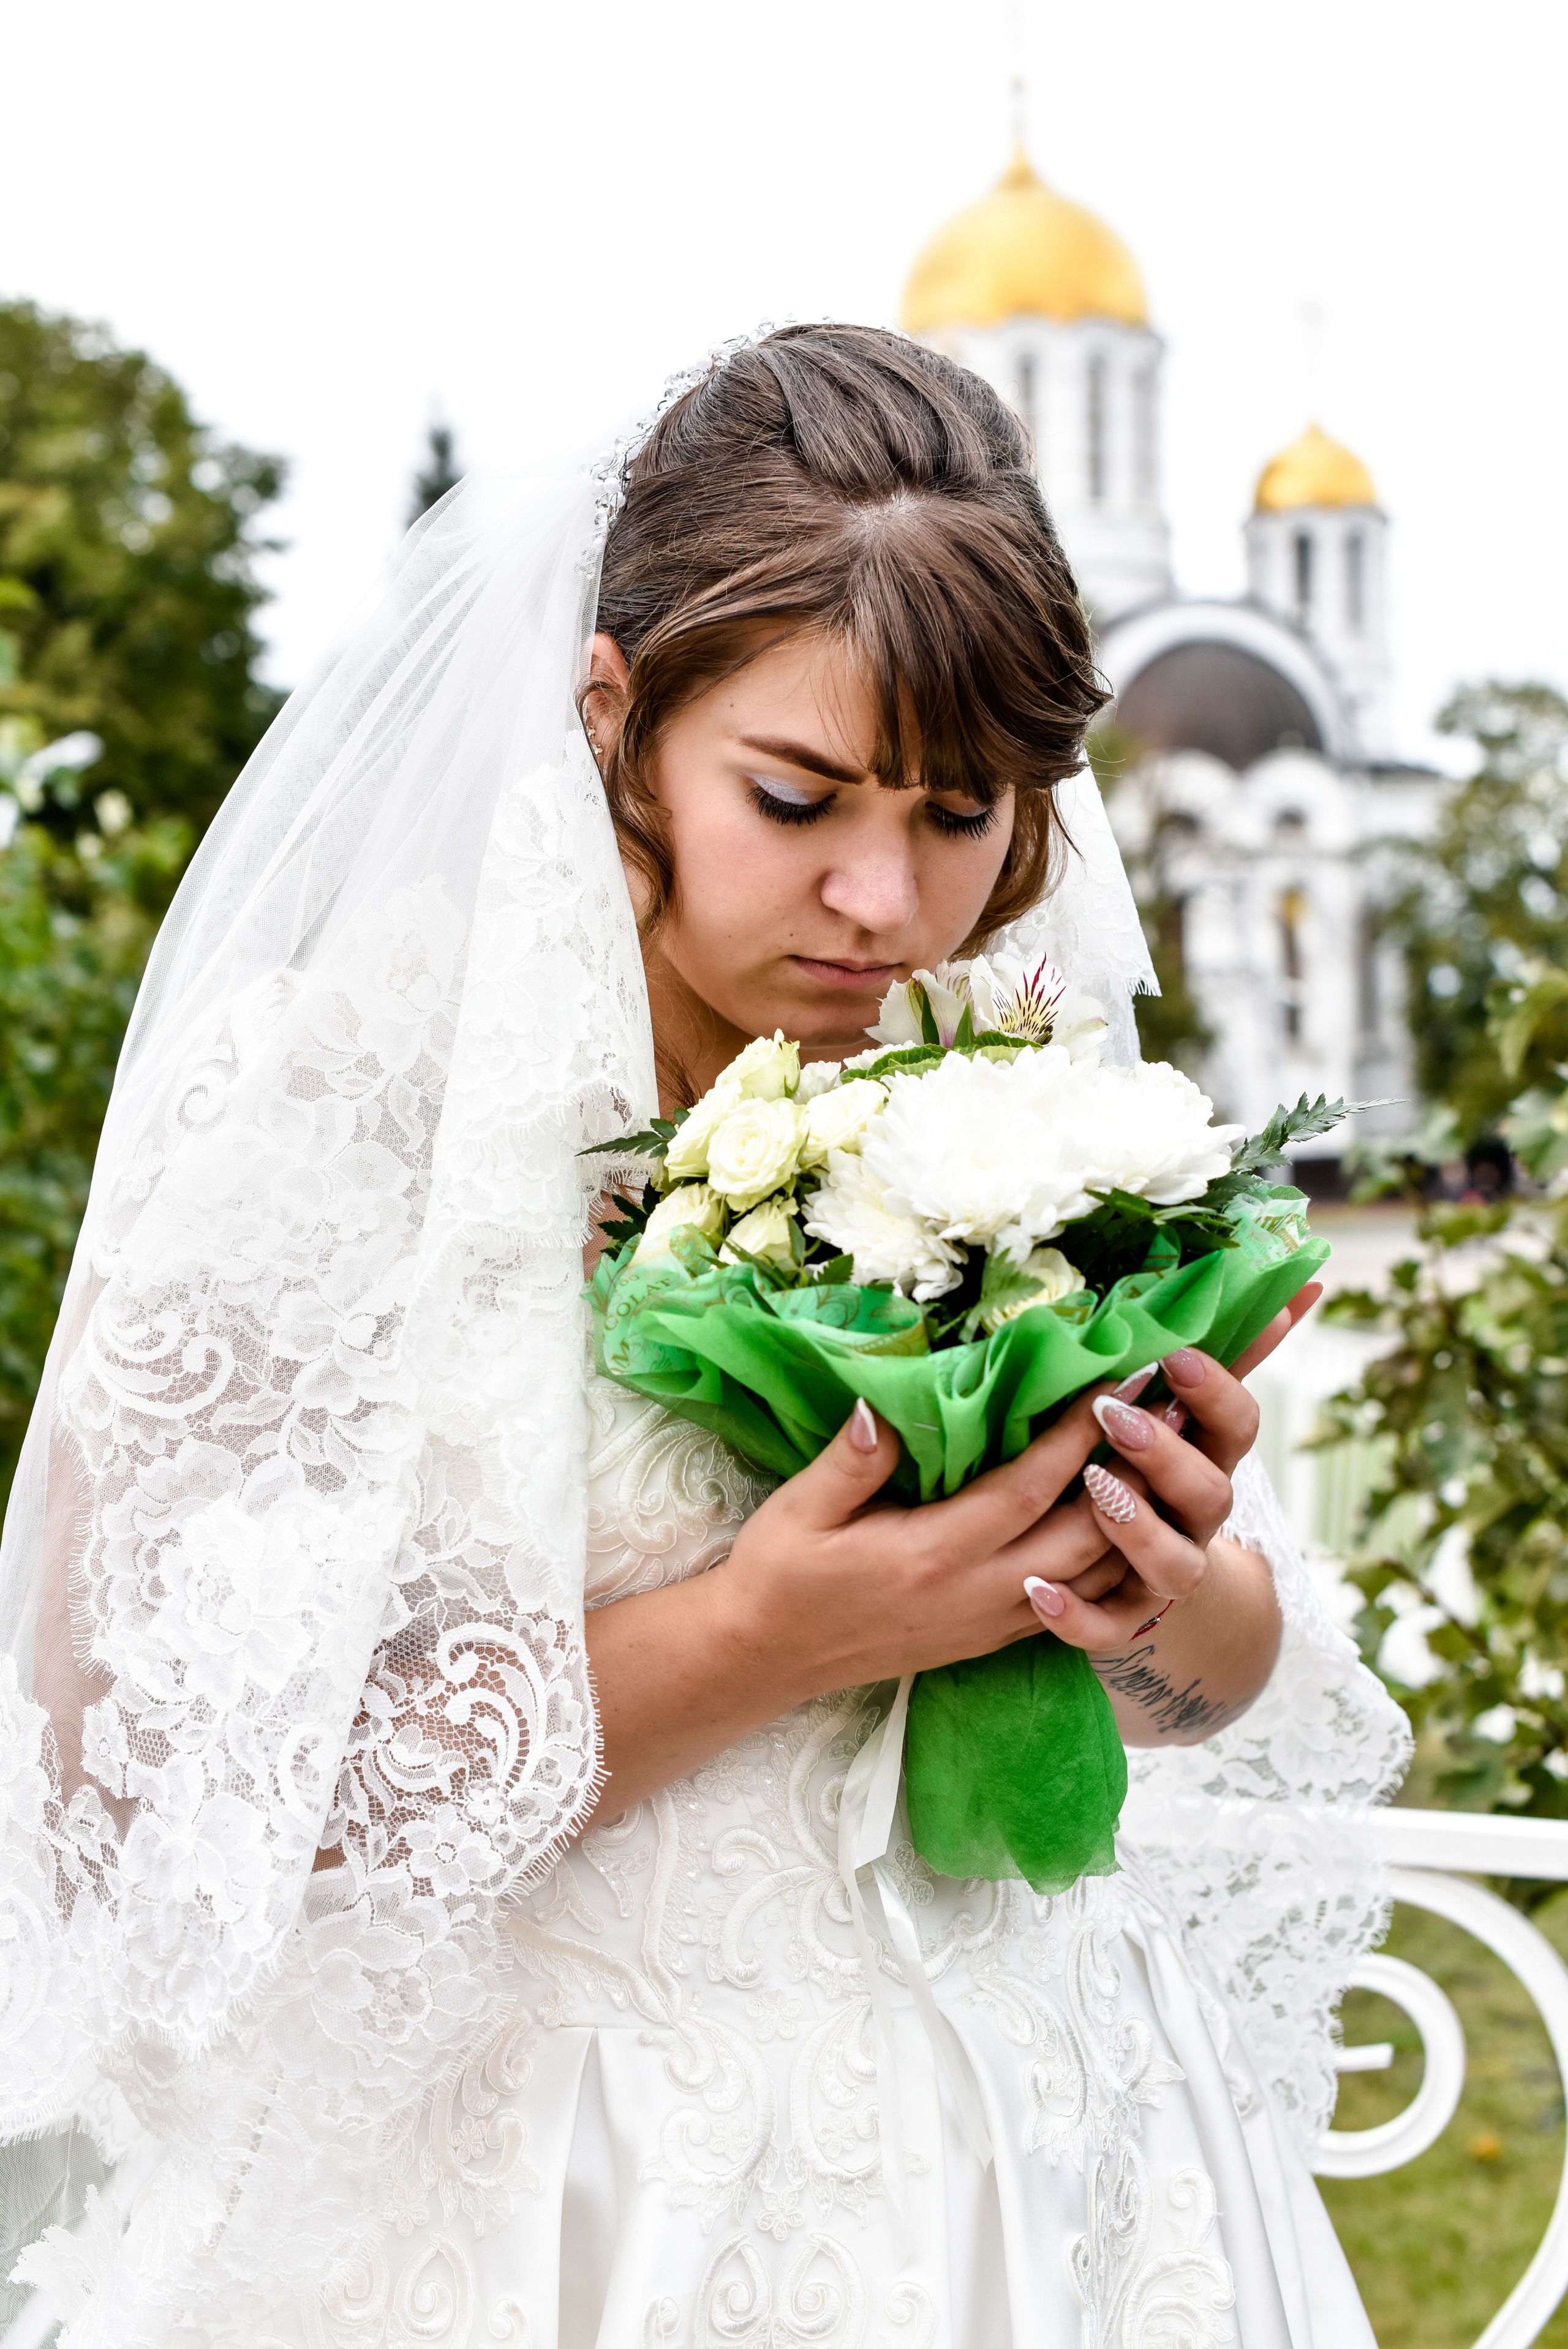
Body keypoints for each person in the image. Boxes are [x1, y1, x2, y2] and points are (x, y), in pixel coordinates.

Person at [1, 326, 1409, 2349]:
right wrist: (766, 1633)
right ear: (616, 716)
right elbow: (134, 1786)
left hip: (1038, 2165)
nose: (884, 901)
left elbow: (1206, 1696)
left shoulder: (1015, 1089)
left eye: (962, 812)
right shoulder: (356, 1109)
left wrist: (1157, 1587)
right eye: (795, 795)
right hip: (538, 2203)